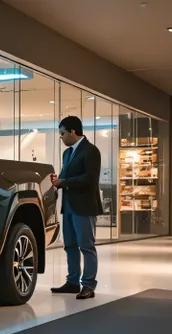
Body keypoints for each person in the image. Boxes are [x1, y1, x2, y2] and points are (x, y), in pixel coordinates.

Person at [50, 116, 103, 299]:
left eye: (63, 133)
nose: (61, 137)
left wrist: (64, 182)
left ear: (73, 132)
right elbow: (65, 176)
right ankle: (73, 282)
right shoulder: (67, 154)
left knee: (86, 247)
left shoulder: (91, 151)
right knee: (70, 245)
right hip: (69, 206)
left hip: (85, 207)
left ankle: (88, 285)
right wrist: (58, 182)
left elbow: (90, 179)